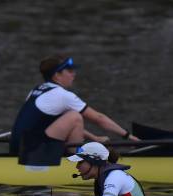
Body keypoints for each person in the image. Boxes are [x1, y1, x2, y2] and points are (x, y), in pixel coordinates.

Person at [11, 54, 140, 163]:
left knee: (72, 117)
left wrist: (94, 138)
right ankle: (77, 160)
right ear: (57, 75)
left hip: (20, 148)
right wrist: (130, 137)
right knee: (75, 116)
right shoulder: (64, 95)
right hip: (34, 154)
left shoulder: (36, 90)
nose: (74, 74)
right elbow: (99, 119)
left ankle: (75, 153)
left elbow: (59, 124)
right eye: (69, 71)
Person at [34, 142, 148, 196]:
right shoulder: (102, 179)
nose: (77, 167)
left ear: (95, 161)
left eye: (80, 162)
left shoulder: (114, 177)